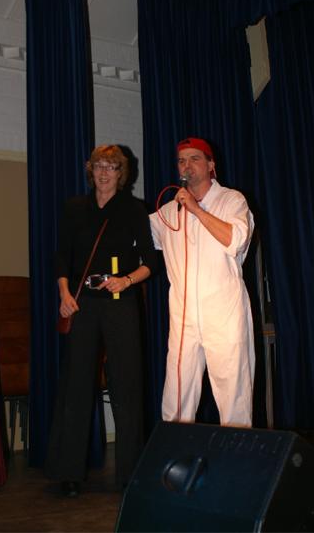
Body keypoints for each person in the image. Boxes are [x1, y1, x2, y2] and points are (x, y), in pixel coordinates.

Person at [44, 144, 158, 497]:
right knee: (76, 385)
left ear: (121, 173)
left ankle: (129, 474)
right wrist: (65, 294)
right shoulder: (74, 208)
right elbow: (62, 256)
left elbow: (151, 261)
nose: (104, 173)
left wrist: (126, 280)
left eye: (111, 167)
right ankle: (69, 472)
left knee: (127, 386)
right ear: (90, 170)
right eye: (99, 166)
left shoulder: (134, 209)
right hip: (83, 305)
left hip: (121, 304)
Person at [150, 137, 255, 427]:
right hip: (184, 318)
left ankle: (237, 453)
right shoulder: (168, 212)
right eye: (181, 160)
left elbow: (235, 240)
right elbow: (135, 239)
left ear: (211, 165)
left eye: (195, 158)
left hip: (224, 313)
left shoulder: (232, 200)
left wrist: (196, 210)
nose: (187, 165)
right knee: (176, 396)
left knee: (233, 393)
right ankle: (174, 452)